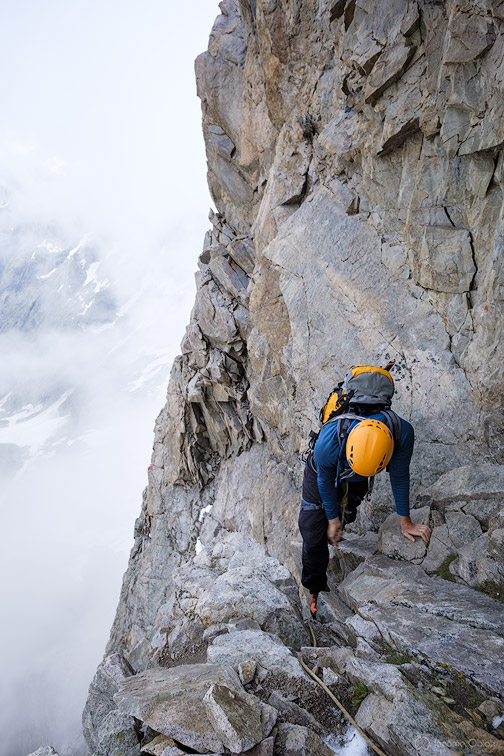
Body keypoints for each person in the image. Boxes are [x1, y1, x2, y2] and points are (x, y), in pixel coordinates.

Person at [298, 403, 431, 619]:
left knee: (348, 512)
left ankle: (340, 523)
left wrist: (405, 521)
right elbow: (324, 482)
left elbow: (399, 477)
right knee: (313, 529)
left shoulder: (401, 432)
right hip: (324, 468)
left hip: (359, 472)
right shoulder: (328, 442)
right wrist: (331, 519)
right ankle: (316, 589)